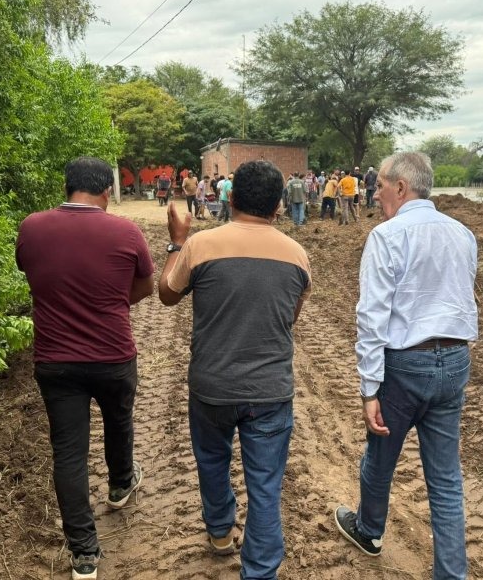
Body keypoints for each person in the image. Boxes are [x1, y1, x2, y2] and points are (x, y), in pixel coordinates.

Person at [158, 160, 311, 580]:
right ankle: (260, 571)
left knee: (211, 460)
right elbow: (289, 318)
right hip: (270, 391)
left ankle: (221, 532)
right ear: (278, 205)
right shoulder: (297, 256)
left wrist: (176, 242)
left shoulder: (201, 245)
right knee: (265, 486)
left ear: (232, 197)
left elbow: (167, 295)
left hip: (211, 385)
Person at [334, 152, 478, 580]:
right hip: (454, 361)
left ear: (401, 187)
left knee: (380, 455)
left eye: (379, 184)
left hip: (405, 366)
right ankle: (451, 574)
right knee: (446, 477)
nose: (374, 193)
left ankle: (369, 529)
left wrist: (369, 388)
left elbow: (372, 317)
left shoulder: (387, 236)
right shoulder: (462, 233)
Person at [16, 156, 154, 580]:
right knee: (119, 421)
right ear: (106, 192)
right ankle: (119, 485)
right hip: (113, 355)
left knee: (69, 453)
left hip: (56, 361)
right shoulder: (126, 231)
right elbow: (145, 286)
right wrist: (109, 304)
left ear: (67, 187)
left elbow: (31, 274)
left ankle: (84, 556)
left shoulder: (32, 227)